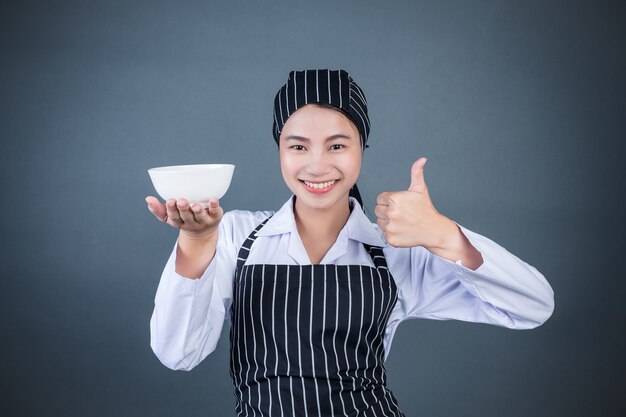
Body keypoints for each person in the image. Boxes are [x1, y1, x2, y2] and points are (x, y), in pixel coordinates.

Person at [146, 69, 554, 417]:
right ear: (280, 151)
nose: (318, 164)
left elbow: (532, 306)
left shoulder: (396, 251)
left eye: (337, 145)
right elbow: (178, 353)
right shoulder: (235, 237)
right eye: (298, 146)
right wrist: (197, 240)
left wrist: (443, 235)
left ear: (362, 149)